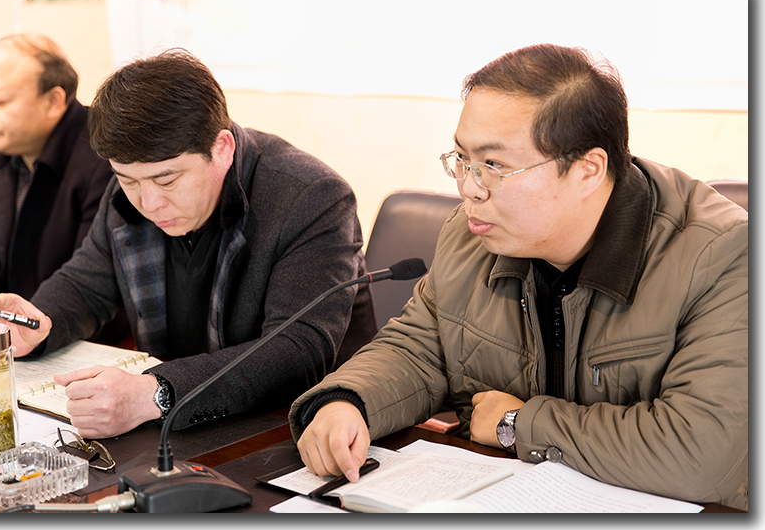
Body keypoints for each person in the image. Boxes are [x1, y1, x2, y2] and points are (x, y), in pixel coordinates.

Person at [289, 44, 748, 511]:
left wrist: (518, 424)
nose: (468, 187)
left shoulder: (722, 254)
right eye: (462, 158)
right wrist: (347, 401)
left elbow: (705, 454)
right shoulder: (472, 236)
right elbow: (418, 348)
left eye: (494, 165)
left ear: (588, 170)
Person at [0, 48, 377, 439]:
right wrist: (40, 321)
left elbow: (296, 351)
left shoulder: (310, 198)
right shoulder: (133, 187)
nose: (149, 203)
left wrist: (155, 393)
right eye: (128, 180)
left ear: (222, 149)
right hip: (185, 425)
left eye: (168, 180)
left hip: (307, 426)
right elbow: (86, 283)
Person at [0, 33, 113, 305]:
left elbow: (89, 283)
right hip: (10, 319)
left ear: (53, 102)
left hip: (70, 321)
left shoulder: (101, 159)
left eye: (1, 101)